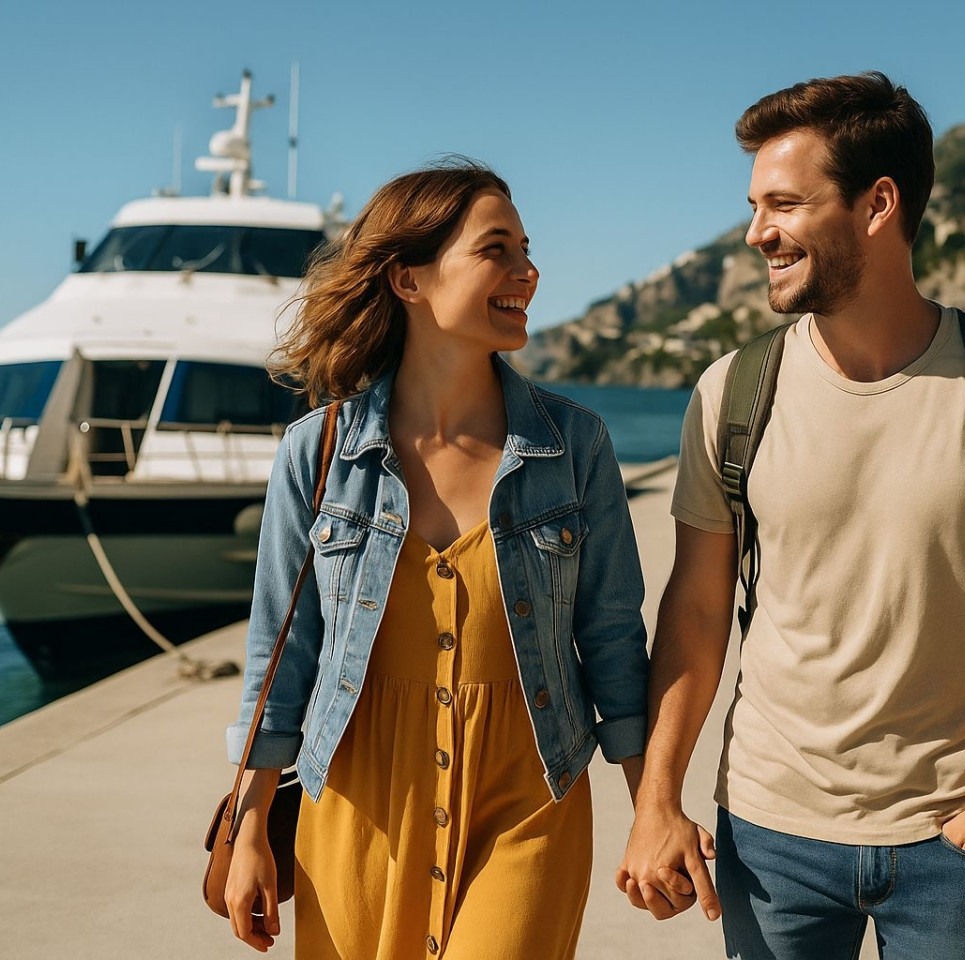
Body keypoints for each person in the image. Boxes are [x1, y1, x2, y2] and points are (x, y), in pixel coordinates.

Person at [617, 73, 965, 959]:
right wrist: (657, 799)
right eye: (753, 205)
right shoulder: (732, 392)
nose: (755, 232)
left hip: (958, 839)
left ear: (878, 203)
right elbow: (694, 611)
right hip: (770, 839)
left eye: (783, 204)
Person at [223, 159, 649, 959]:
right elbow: (280, 657)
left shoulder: (574, 446)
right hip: (357, 805)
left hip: (528, 799)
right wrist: (249, 828)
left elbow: (616, 638)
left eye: (526, 248)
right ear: (408, 280)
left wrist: (651, 807)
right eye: (497, 249)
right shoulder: (317, 455)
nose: (528, 270)